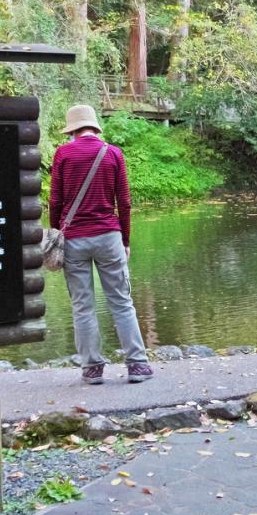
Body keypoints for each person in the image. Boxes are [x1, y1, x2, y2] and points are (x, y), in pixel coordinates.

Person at [49, 104, 152, 385]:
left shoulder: (63, 154)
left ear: (72, 130)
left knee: (83, 306)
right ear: (95, 127)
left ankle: (92, 369)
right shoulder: (113, 154)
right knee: (121, 301)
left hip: (74, 240)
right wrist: (126, 239)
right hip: (109, 236)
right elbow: (125, 203)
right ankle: (137, 365)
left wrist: (56, 233)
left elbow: (55, 201)